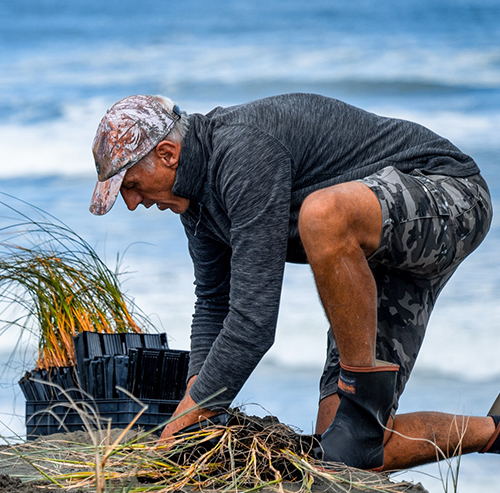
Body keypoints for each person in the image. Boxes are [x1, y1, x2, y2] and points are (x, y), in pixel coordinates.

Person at [89, 93, 500, 470]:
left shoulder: (242, 153)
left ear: (167, 154)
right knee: (342, 455)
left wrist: (183, 423)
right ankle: (493, 431)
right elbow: (215, 305)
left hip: (449, 194)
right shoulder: (195, 208)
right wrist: (193, 413)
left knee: (322, 215)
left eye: (131, 185)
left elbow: (253, 322)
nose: (131, 203)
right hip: (377, 255)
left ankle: (361, 394)